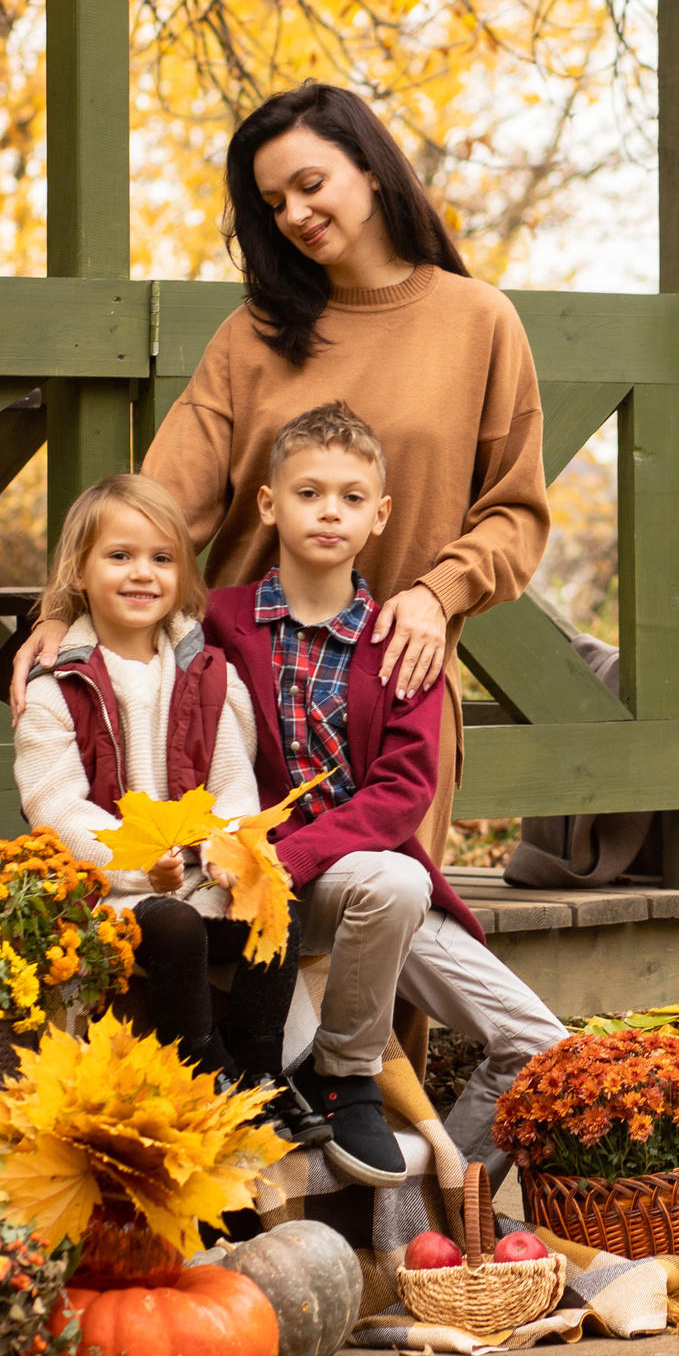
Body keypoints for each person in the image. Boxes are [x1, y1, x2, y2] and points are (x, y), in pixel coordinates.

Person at [9, 81, 552, 868]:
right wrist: (65, 611)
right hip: (235, 690)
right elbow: (158, 507)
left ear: (370, 169)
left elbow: (517, 512)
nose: (293, 214)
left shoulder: (479, 321)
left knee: (386, 918)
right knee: (239, 938)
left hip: (390, 692)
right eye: (272, 202)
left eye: (310, 184)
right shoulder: (251, 337)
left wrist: (441, 594)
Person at [199, 400, 567, 1186]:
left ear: (380, 515)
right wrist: (57, 622)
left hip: (358, 878)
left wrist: (294, 856)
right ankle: (347, 1074)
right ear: (268, 503)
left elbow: (403, 792)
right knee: (392, 881)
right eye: (307, 492)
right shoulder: (217, 621)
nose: (329, 510)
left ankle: (441, 1203)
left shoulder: (401, 638)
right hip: (253, 884)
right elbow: (121, 625)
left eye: (351, 497)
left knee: (539, 1045)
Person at [10, 474, 331, 1152]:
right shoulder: (59, 686)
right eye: (119, 556)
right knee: (177, 925)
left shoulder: (209, 674)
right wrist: (133, 862)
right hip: (113, 893)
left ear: (182, 573)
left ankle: (261, 1072)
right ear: (80, 570)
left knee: (277, 907)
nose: (141, 573)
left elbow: (233, 786)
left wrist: (222, 854)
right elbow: (55, 802)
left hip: (197, 875)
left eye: (161, 558)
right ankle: (206, 1068)